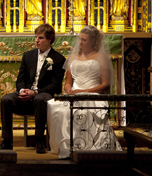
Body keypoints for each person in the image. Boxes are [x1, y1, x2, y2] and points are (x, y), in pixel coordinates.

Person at [47, 25, 122, 159]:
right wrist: (68, 89)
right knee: (58, 108)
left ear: (93, 41)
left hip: (92, 94)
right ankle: (66, 147)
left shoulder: (100, 57)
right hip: (74, 94)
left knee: (82, 111)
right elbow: (68, 81)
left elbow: (105, 84)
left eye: (84, 40)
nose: (80, 42)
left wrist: (84, 91)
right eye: (80, 39)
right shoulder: (74, 56)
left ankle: (84, 146)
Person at [0, 24, 66, 153]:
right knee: (6, 100)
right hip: (26, 94)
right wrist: (22, 90)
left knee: (39, 99)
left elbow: (55, 86)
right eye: (35, 37)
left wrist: (35, 92)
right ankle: (7, 141)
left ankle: (39, 141)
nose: (36, 40)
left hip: (44, 95)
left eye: (40, 38)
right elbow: (20, 79)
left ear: (49, 39)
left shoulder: (58, 59)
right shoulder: (28, 56)